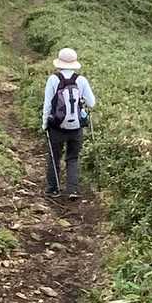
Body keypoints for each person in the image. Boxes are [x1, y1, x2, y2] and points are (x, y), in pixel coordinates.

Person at [42, 47, 96, 200]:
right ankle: (73, 190)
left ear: (59, 63)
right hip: (76, 127)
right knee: (73, 158)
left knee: (54, 157)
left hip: (56, 126)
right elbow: (92, 103)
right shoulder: (81, 80)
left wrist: (45, 124)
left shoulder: (53, 79)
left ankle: (53, 189)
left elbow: (47, 104)